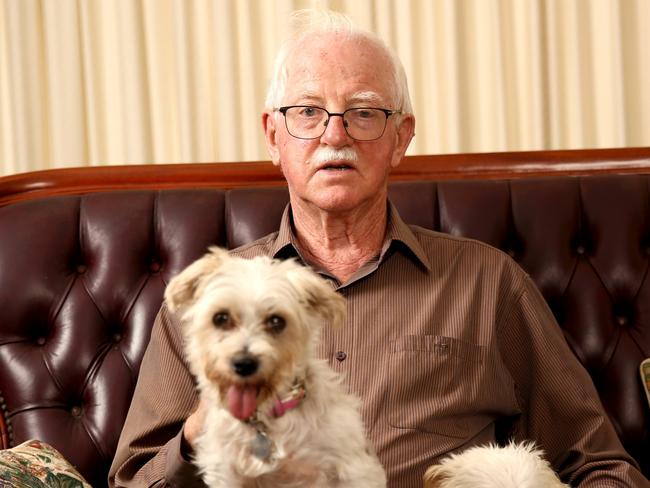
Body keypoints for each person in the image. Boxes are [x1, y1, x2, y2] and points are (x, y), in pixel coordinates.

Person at [109, 9, 649, 487]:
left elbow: (601, 468)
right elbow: (134, 480)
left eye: (364, 112)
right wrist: (209, 422)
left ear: (402, 137)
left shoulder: (490, 284)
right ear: (273, 136)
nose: (334, 135)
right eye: (307, 111)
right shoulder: (210, 306)